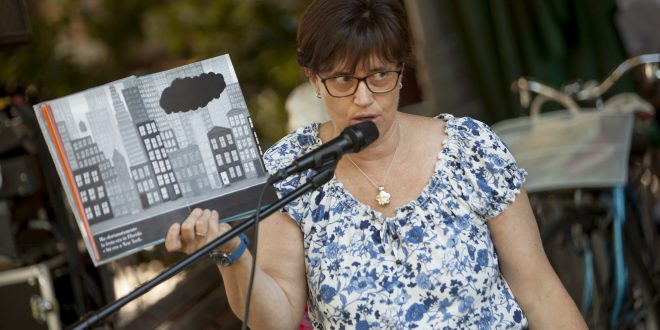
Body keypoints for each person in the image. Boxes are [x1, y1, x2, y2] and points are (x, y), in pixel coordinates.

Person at [165, 0, 588, 328]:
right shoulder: (290, 170)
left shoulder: (470, 147)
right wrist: (231, 253)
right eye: (344, 80)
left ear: (403, 72)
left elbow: (538, 289)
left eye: (380, 76)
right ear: (314, 80)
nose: (364, 98)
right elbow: (276, 320)